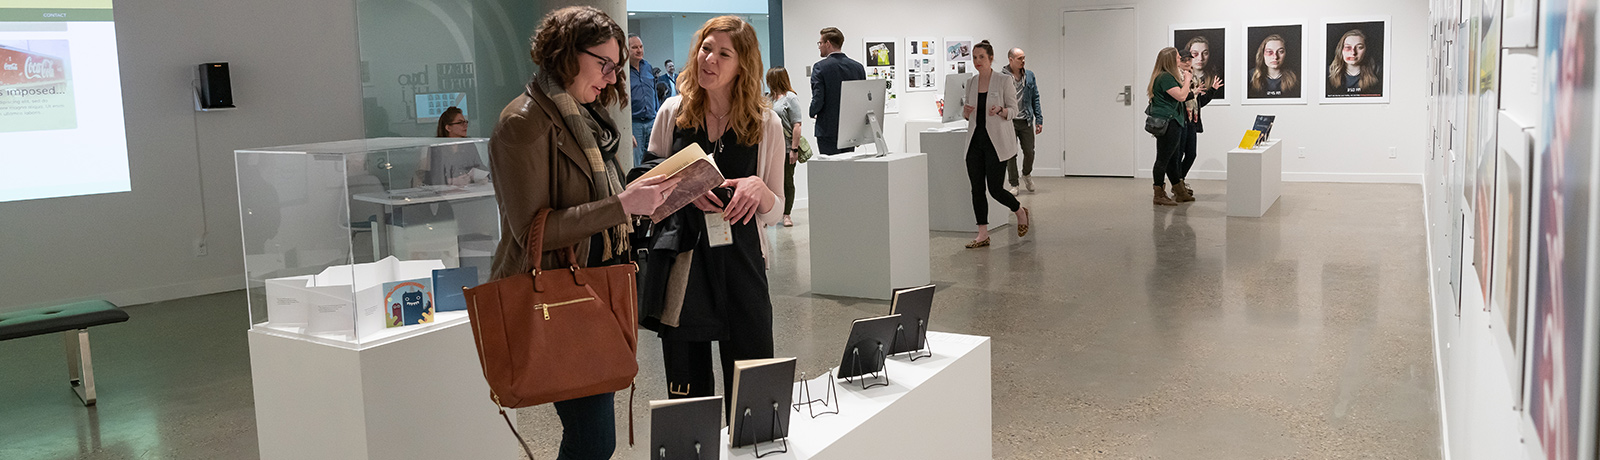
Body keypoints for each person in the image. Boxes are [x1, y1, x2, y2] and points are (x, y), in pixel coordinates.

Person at [485, 7, 679, 459]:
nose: (613, 78)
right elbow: (530, 230)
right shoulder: (523, 123)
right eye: (604, 65)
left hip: (595, 288)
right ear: (567, 54)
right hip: (558, 296)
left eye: (616, 67)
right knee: (593, 439)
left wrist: (633, 198)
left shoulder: (586, 117)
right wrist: (621, 205)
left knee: (593, 437)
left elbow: (593, 197)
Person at [645, 15, 785, 413]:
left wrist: (760, 191)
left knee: (753, 381)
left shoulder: (765, 123)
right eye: (707, 48)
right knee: (687, 391)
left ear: (743, 65)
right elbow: (645, 188)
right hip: (685, 262)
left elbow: (776, 212)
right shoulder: (673, 113)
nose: (710, 59)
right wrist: (686, 190)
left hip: (742, 260)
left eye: (724, 53)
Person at [961, 40, 1031, 249]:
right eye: (974, 57)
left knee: (994, 189)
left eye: (981, 57)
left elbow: (1013, 111)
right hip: (975, 142)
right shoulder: (972, 82)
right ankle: (982, 233)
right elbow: (969, 115)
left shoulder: (1003, 80)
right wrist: (965, 113)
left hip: (996, 143)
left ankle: (1019, 210)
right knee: (976, 189)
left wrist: (1000, 110)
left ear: (991, 58)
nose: (977, 61)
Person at [1173, 49, 1222, 202]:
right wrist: (1193, 92)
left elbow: (1199, 103)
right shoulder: (1176, 78)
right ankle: (1178, 186)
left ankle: (1179, 182)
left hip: (1192, 122)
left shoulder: (1193, 77)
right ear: (1178, 61)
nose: (1187, 62)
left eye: (1189, 59)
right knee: (1178, 154)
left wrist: (1212, 90)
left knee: (1191, 154)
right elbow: (1180, 98)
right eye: (1184, 59)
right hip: (1180, 121)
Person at [809, 26, 866, 155]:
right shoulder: (857, 68)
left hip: (827, 128)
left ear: (828, 44)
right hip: (850, 129)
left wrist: (812, 112)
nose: (819, 46)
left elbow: (818, 97)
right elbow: (862, 99)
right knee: (848, 169)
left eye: (820, 43)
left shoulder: (820, 67)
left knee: (831, 170)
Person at [1147, 47, 1191, 206]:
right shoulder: (1165, 77)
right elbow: (1181, 96)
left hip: (1172, 121)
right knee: (1163, 159)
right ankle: (1158, 194)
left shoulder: (1165, 76)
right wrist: (1187, 80)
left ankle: (1180, 192)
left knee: (1172, 159)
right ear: (1171, 60)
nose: (1181, 60)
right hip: (1169, 122)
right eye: (1179, 57)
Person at [1000, 47, 1043, 195]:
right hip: (1009, 120)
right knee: (1011, 153)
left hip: (1026, 120)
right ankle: (1014, 183)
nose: (1023, 61)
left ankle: (1026, 174)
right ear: (1010, 59)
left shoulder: (1029, 75)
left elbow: (1035, 98)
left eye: (1024, 58)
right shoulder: (1002, 77)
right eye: (1019, 58)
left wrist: (1039, 119)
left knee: (1029, 151)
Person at [766, 67, 804, 227]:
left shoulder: (790, 98)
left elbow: (797, 125)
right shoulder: (767, 98)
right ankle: (769, 215)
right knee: (768, 181)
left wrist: (794, 149)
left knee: (787, 181)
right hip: (770, 148)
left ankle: (786, 214)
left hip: (787, 146)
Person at [416, 106, 487, 186]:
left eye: (465, 122)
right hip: (445, 193)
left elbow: (479, 166)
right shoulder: (437, 147)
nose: (465, 125)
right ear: (448, 128)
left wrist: (483, 177)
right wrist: (451, 181)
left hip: (469, 190)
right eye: (460, 122)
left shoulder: (469, 144)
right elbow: (433, 178)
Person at [629, 34, 660, 166]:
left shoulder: (647, 66)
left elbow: (653, 93)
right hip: (634, 124)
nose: (639, 50)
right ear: (626, 50)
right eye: (634, 47)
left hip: (651, 122)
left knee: (654, 162)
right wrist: (627, 131)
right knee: (636, 163)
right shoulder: (622, 71)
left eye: (641, 46)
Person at [1327, 29, 1380, 94]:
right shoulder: (1327, 73)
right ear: (1341, 50)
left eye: (1359, 47)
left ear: (1366, 50)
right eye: (1348, 47)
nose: (1353, 52)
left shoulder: (1378, 72)